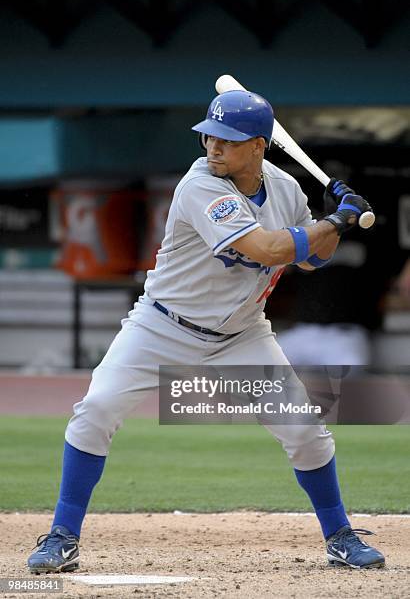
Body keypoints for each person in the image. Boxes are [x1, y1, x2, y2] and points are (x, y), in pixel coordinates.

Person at [28, 90, 385, 573]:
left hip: (241, 335)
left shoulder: (283, 189)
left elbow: (312, 258)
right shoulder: (200, 185)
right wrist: (336, 219)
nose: (213, 147)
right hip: (161, 325)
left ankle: (341, 536)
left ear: (259, 145)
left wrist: (332, 224)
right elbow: (268, 249)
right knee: (96, 409)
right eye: (210, 136)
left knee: (306, 432)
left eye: (227, 140)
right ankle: (61, 537)